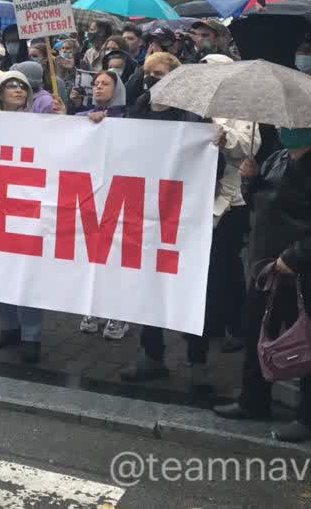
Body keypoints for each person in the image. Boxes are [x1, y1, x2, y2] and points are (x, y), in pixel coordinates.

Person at [214, 127, 311, 443]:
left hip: (299, 272)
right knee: (257, 331)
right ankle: (253, 400)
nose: (288, 130)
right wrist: (250, 180)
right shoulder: (275, 159)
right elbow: (257, 202)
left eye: (297, 126)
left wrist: (295, 257)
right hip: (264, 265)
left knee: (305, 338)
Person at [121, 52, 222, 388]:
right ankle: (152, 355)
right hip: (145, 214)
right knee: (147, 285)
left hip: (183, 217)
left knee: (189, 288)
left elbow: (212, 170)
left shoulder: (194, 117)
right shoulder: (137, 112)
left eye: (160, 73)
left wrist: (213, 146)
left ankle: (197, 359)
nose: (152, 79)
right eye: (148, 74)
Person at [0, 69, 48, 362]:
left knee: (29, 275)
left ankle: (31, 335)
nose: (18, 90)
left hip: (30, 206)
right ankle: (9, 327)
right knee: (1, 271)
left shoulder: (42, 123)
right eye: (11, 85)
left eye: (22, 86)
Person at [200, 53, 261, 353]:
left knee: (226, 265)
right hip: (199, 196)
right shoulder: (197, 104)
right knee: (206, 266)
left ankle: (236, 325)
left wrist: (223, 134)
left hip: (230, 201)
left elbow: (250, 146)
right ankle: (208, 323)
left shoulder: (243, 107)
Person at [72, 69, 131, 342]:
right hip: (90, 197)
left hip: (119, 197)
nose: (98, 88)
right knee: (92, 254)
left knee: (117, 254)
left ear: (117, 89)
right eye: (95, 83)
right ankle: (93, 306)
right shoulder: (81, 117)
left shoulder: (131, 119)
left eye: (105, 84)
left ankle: (118, 312)